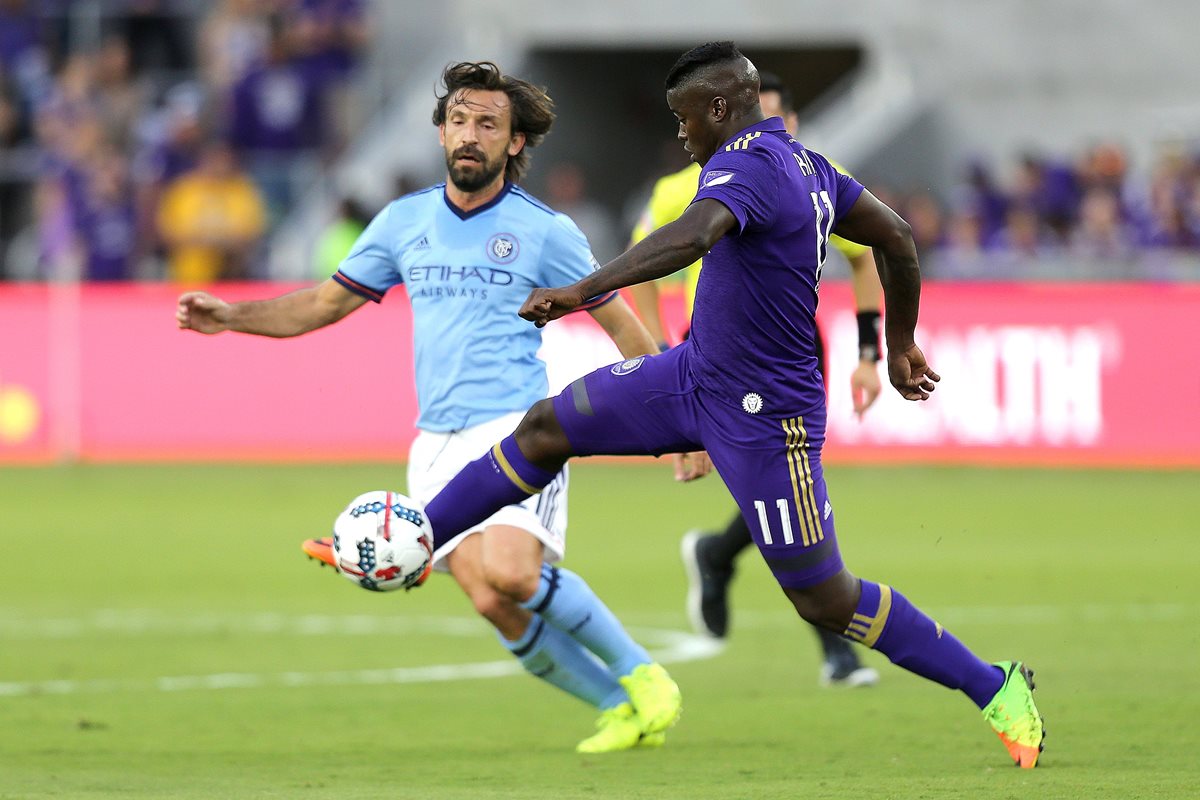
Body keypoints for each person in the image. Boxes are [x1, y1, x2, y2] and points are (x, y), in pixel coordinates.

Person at [417, 42, 1045, 769]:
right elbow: (896, 237)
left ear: (719, 108)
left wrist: (578, 293)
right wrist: (900, 342)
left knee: (825, 599)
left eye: (684, 119)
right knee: (546, 427)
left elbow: (693, 236)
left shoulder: (744, 164)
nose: (680, 135)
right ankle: (419, 537)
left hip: (767, 420)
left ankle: (996, 687)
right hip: (692, 376)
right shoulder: (811, 166)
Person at [175, 61, 684, 754]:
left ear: (514, 144)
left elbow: (623, 327)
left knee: (512, 571)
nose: (470, 135)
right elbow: (323, 305)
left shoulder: (544, 231)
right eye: (459, 121)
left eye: (488, 124)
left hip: (518, 427)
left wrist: (677, 418)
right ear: (442, 131)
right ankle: (618, 710)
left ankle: (645, 675)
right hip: (435, 442)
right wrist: (232, 316)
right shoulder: (403, 222)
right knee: (488, 598)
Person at [627, 70, 883, 687]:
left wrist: (871, 352)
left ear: (790, 124)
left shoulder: (816, 176)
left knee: (792, 493)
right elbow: (642, 269)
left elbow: (867, 252)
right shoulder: (685, 188)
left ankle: (720, 557)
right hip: (716, 355)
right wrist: (665, 359)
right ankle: (831, 642)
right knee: (791, 498)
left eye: (775, 120)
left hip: (795, 349)